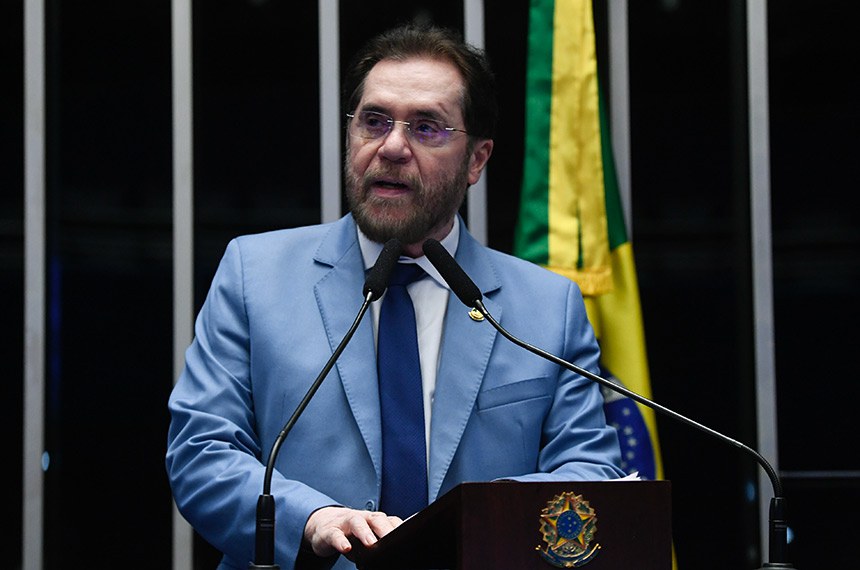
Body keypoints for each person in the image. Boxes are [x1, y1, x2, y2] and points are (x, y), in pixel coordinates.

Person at [166, 23, 626, 570]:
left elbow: (591, 471)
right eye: (374, 121)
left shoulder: (547, 306)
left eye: (426, 127)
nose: (391, 147)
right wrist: (312, 520)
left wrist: (476, 519)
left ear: (477, 160)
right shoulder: (254, 275)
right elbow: (202, 454)